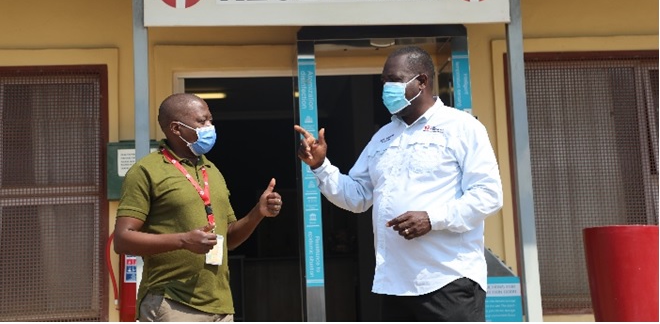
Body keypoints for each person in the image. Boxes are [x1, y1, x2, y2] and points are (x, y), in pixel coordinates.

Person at [294, 46, 503, 322]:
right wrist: (320, 166)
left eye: (394, 80)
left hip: (448, 280)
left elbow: (488, 195)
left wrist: (432, 219)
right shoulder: (383, 137)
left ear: (422, 81)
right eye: (384, 81)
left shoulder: (461, 127)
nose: (386, 88)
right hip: (395, 285)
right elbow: (357, 197)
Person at [114, 93, 283, 322]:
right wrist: (183, 241)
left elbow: (229, 238)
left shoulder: (211, 170)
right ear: (176, 128)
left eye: (210, 120)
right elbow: (122, 240)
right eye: (202, 121)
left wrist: (258, 213)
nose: (210, 127)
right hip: (172, 302)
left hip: (220, 305)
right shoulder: (146, 171)